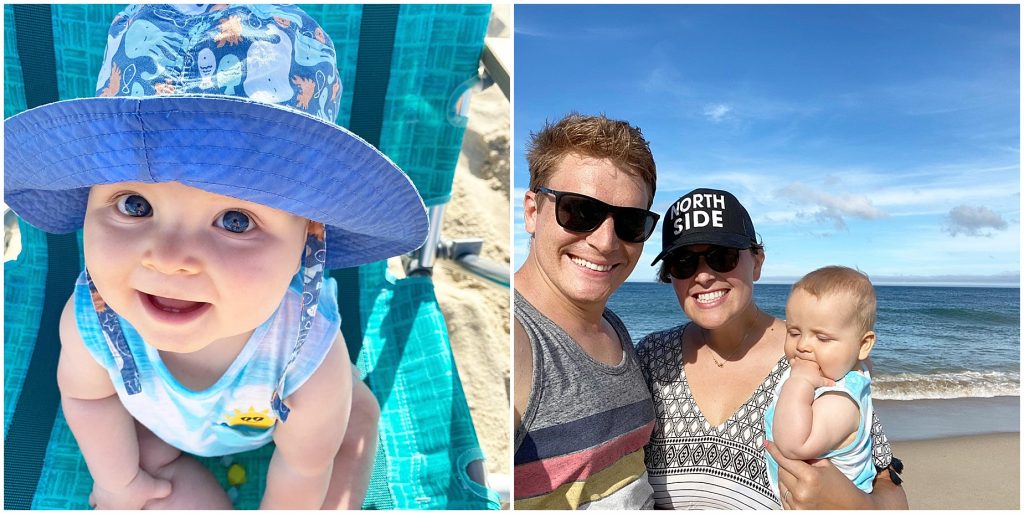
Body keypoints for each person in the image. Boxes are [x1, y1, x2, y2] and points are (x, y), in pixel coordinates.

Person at [4, 4, 428, 509]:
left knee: (350, 425)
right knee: (136, 456)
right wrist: (119, 481)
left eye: (235, 221)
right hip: (161, 425)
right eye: (134, 205)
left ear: (307, 242)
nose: (168, 259)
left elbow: (302, 467)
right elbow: (88, 398)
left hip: (287, 423)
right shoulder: (94, 324)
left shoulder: (307, 351)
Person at [635, 188, 907, 509]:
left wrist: (857, 505)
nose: (704, 275)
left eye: (722, 257)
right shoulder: (652, 357)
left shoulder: (812, 355)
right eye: (683, 263)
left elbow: (889, 487)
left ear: (757, 261)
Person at [513, 113, 660, 509]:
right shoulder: (514, 338)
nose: (606, 241)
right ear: (532, 211)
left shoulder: (612, 326)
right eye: (580, 211)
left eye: (631, 222)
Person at [765, 266, 879, 498]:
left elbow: (794, 446)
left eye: (822, 337)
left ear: (863, 345)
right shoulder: (842, 368)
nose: (803, 345)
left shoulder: (840, 400)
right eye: (794, 332)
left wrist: (799, 384)